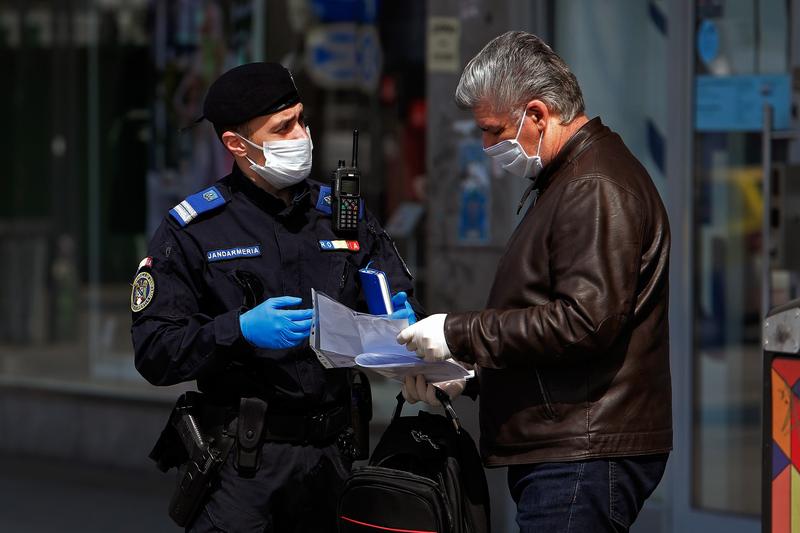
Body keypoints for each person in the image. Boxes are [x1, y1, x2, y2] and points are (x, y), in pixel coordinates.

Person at [397, 31, 672, 533]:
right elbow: (559, 323)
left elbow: (586, 322)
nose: (485, 146)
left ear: (539, 115)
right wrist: (473, 375)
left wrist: (458, 333)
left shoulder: (592, 185)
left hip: (581, 453)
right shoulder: (570, 179)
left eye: (493, 129)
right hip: (571, 445)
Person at [131, 62, 419, 533]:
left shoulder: (340, 216)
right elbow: (154, 350)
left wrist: (404, 324)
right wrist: (237, 330)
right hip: (245, 467)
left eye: (302, 119)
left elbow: (395, 295)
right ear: (236, 145)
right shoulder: (195, 230)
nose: (302, 135)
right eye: (283, 127)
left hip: (336, 459)